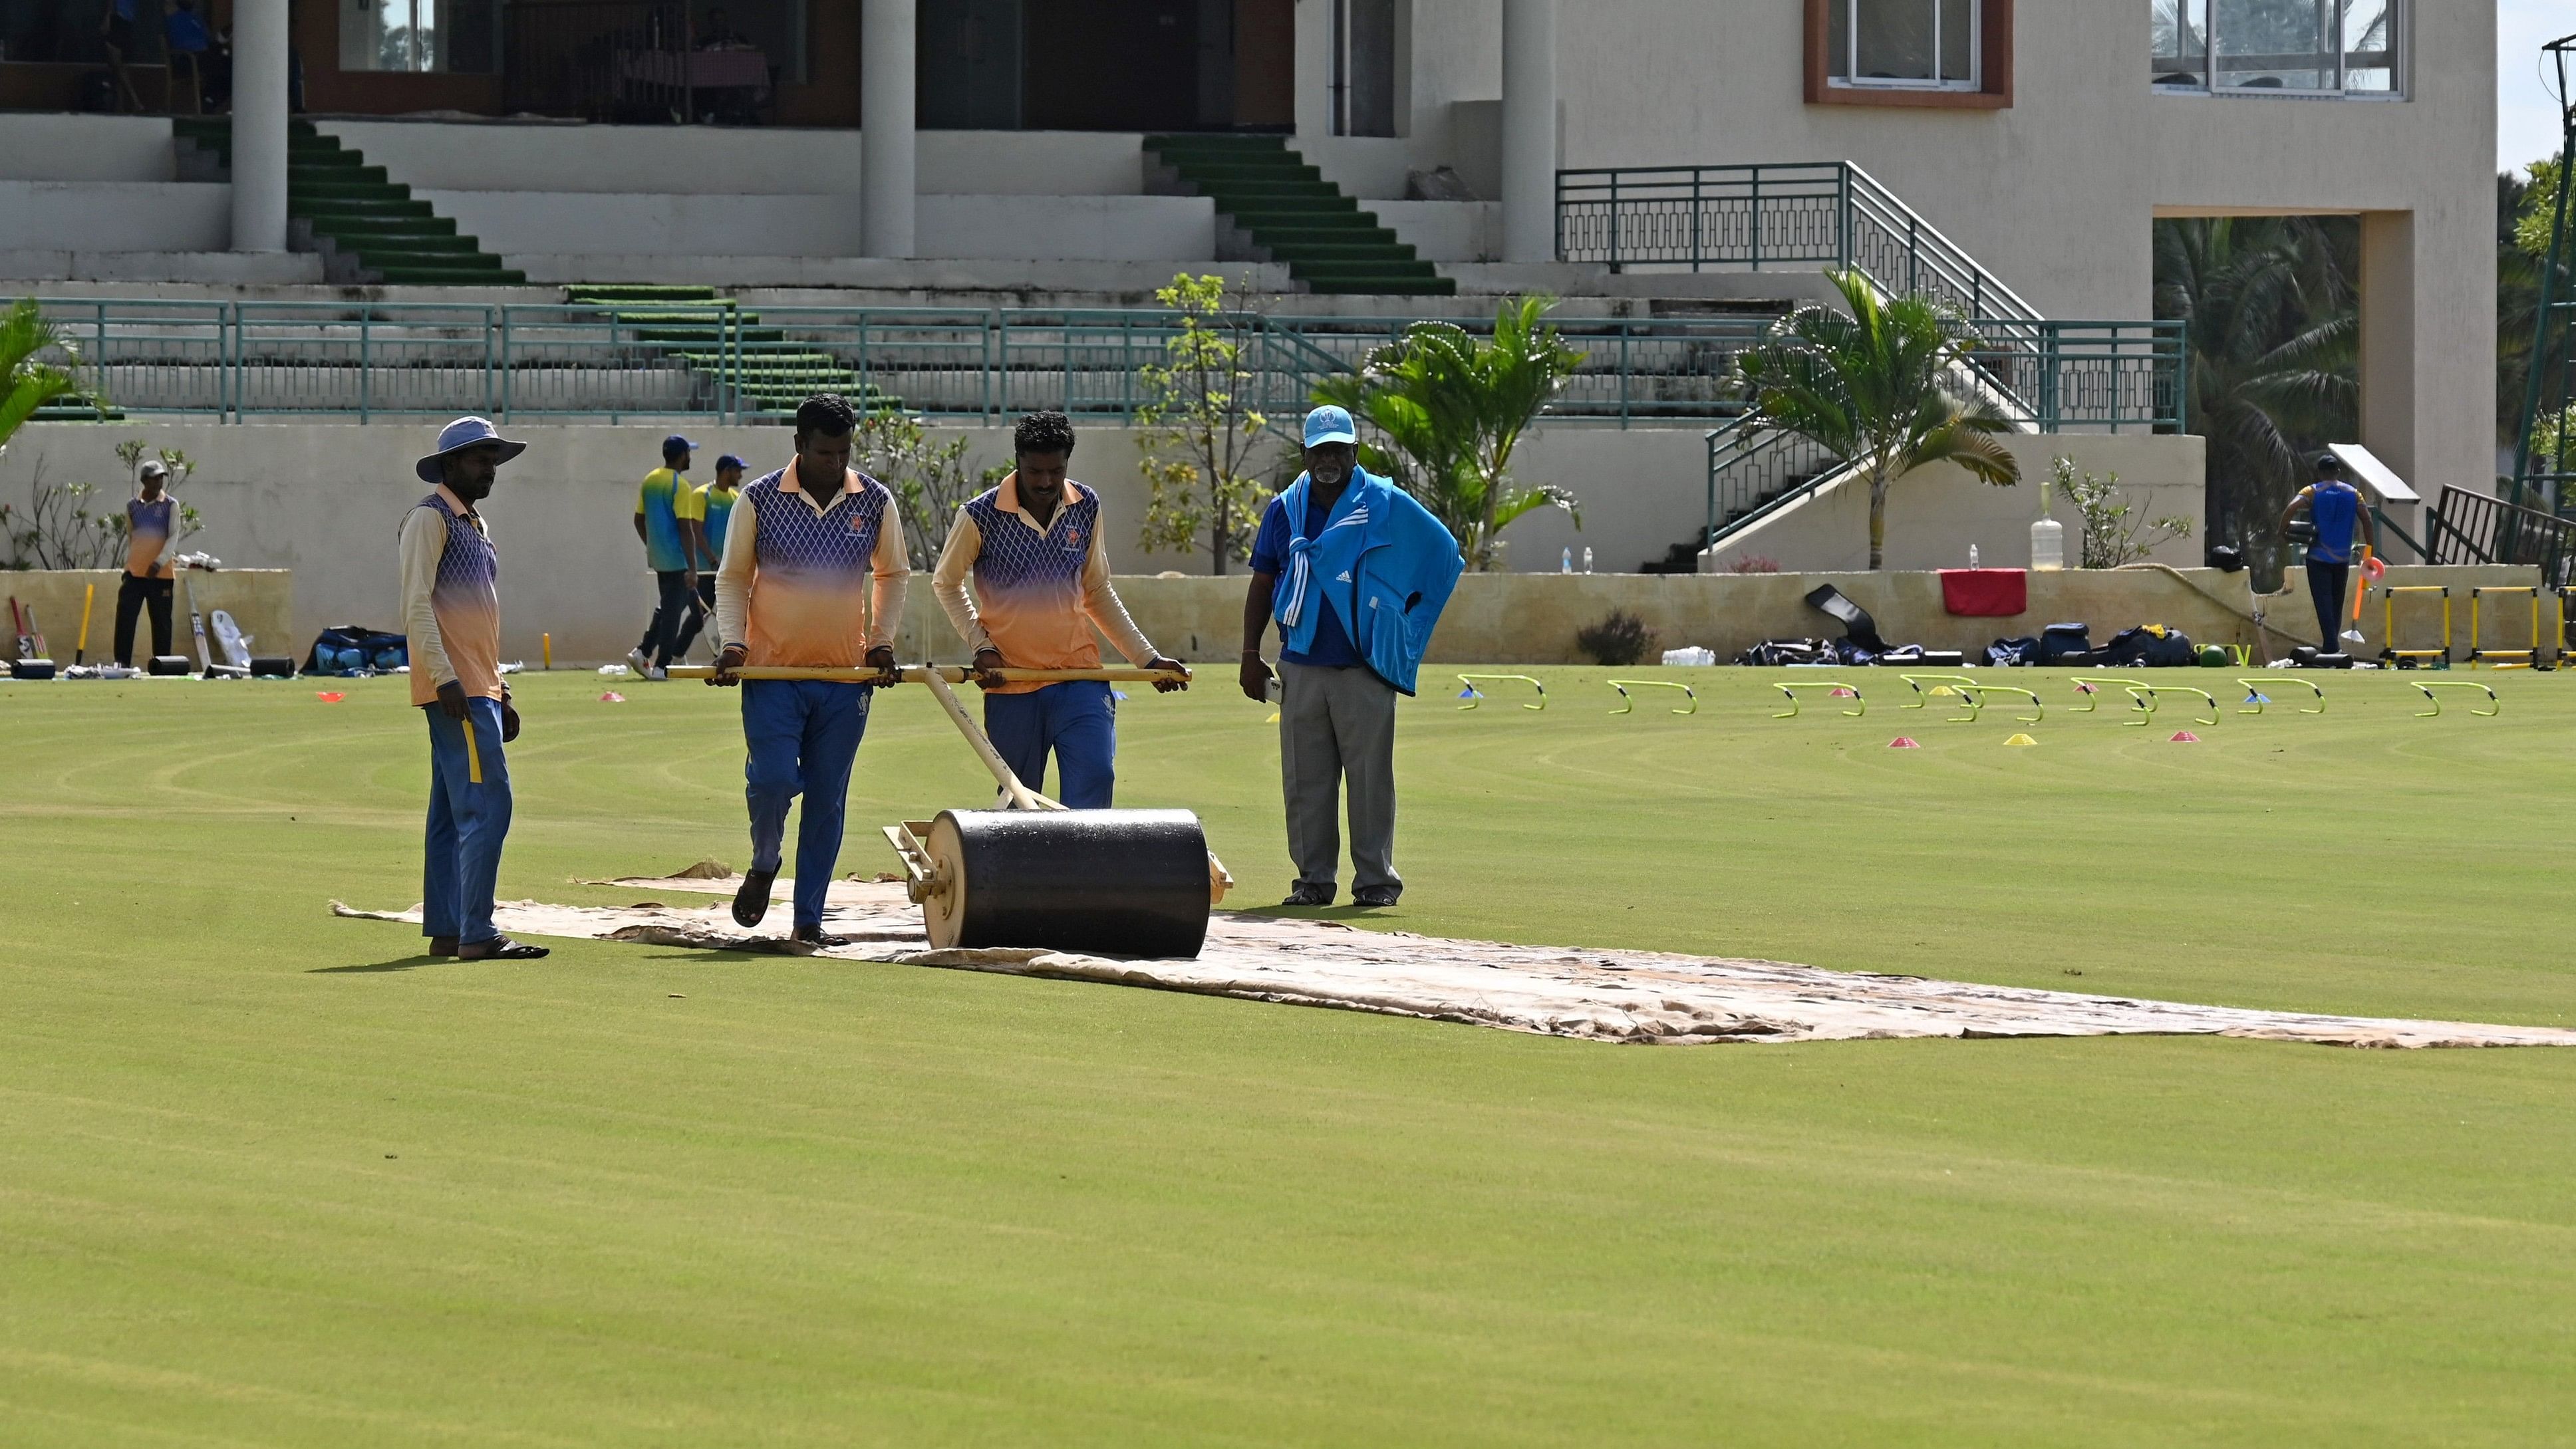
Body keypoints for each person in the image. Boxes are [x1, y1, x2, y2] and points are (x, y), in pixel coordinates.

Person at [1239, 405, 1463, 908]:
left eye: (1339, 449)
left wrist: (1405, 618)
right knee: (1304, 782)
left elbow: (1443, 551)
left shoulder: (1383, 501)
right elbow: (1261, 581)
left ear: (1354, 452)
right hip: (1300, 661)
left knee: (1369, 782)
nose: (1329, 459)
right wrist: (1250, 654)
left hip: (1364, 667)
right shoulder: (1283, 510)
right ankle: (1313, 881)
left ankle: (1376, 883)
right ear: (1304, 454)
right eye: (1320, 450)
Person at [708, 395, 908, 944]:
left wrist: (882, 643)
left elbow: (893, 574)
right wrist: (733, 644)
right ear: (799, 445)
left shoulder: (874, 499)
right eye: (824, 452)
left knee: (827, 797)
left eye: (843, 452)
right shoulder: (760, 498)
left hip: (845, 678)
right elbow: (732, 578)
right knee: (773, 779)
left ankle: (808, 920)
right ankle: (765, 859)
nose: (835, 463)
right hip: (772, 673)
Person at [932, 410, 1189, 808]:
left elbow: (1097, 591)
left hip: (1078, 676)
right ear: (1018, 460)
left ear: (1067, 462)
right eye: (1035, 471)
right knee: (1019, 802)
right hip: (1012, 682)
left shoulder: (1085, 505)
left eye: (1056, 470)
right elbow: (946, 583)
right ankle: (1023, 872)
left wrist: (1147, 658)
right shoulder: (979, 515)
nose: (1046, 482)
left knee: (1096, 777)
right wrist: (981, 645)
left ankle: (1084, 872)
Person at [400, 417, 547, 962]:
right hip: (456, 690)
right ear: (451, 465)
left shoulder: (474, 525)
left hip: (476, 686)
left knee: (449, 812)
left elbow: (477, 621)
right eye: (481, 459)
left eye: (492, 459)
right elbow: (415, 606)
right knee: (488, 805)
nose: (490, 469)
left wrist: (499, 687)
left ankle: (446, 927)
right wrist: (446, 679)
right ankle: (478, 932)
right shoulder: (429, 518)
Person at [2281, 452, 2377, 648]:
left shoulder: (2312, 491)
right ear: (2338, 472)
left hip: (2318, 556)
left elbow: (2291, 508)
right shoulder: (2353, 493)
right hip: (2342, 557)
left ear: (2320, 472)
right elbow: (2367, 519)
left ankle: (2331, 644)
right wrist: (2370, 550)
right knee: (2336, 602)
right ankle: (2332, 644)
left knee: (2323, 601)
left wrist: (2282, 531)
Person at [629, 434, 704, 680]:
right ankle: (661, 666)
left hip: (661, 558)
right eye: (689, 453)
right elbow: (685, 528)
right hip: (677, 560)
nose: (690, 457)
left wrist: (652, 546)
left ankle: (643, 651)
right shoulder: (680, 485)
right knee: (672, 614)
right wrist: (693, 568)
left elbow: (639, 520)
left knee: (688, 609)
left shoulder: (651, 479)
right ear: (682, 456)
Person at [114, 459, 178, 667]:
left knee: (161, 624)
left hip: (161, 575)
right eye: (154, 478)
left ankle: (162, 665)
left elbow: (173, 537)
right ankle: (122, 664)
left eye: (161, 478)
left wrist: (158, 563)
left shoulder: (171, 505)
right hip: (135, 573)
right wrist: (139, 563)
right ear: (144, 481)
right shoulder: (132, 506)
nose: (158, 482)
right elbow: (133, 536)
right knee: (125, 620)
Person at [688, 453, 744, 622]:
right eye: (738, 471)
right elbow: (695, 531)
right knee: (698, 618)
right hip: (705, 569)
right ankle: (675, 650)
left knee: (729, 619)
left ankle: (721, 650)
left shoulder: (737, 498)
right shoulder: (703, 494)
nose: (740, 475)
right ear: (727, 472)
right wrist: (712, 559)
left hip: (727, 570)